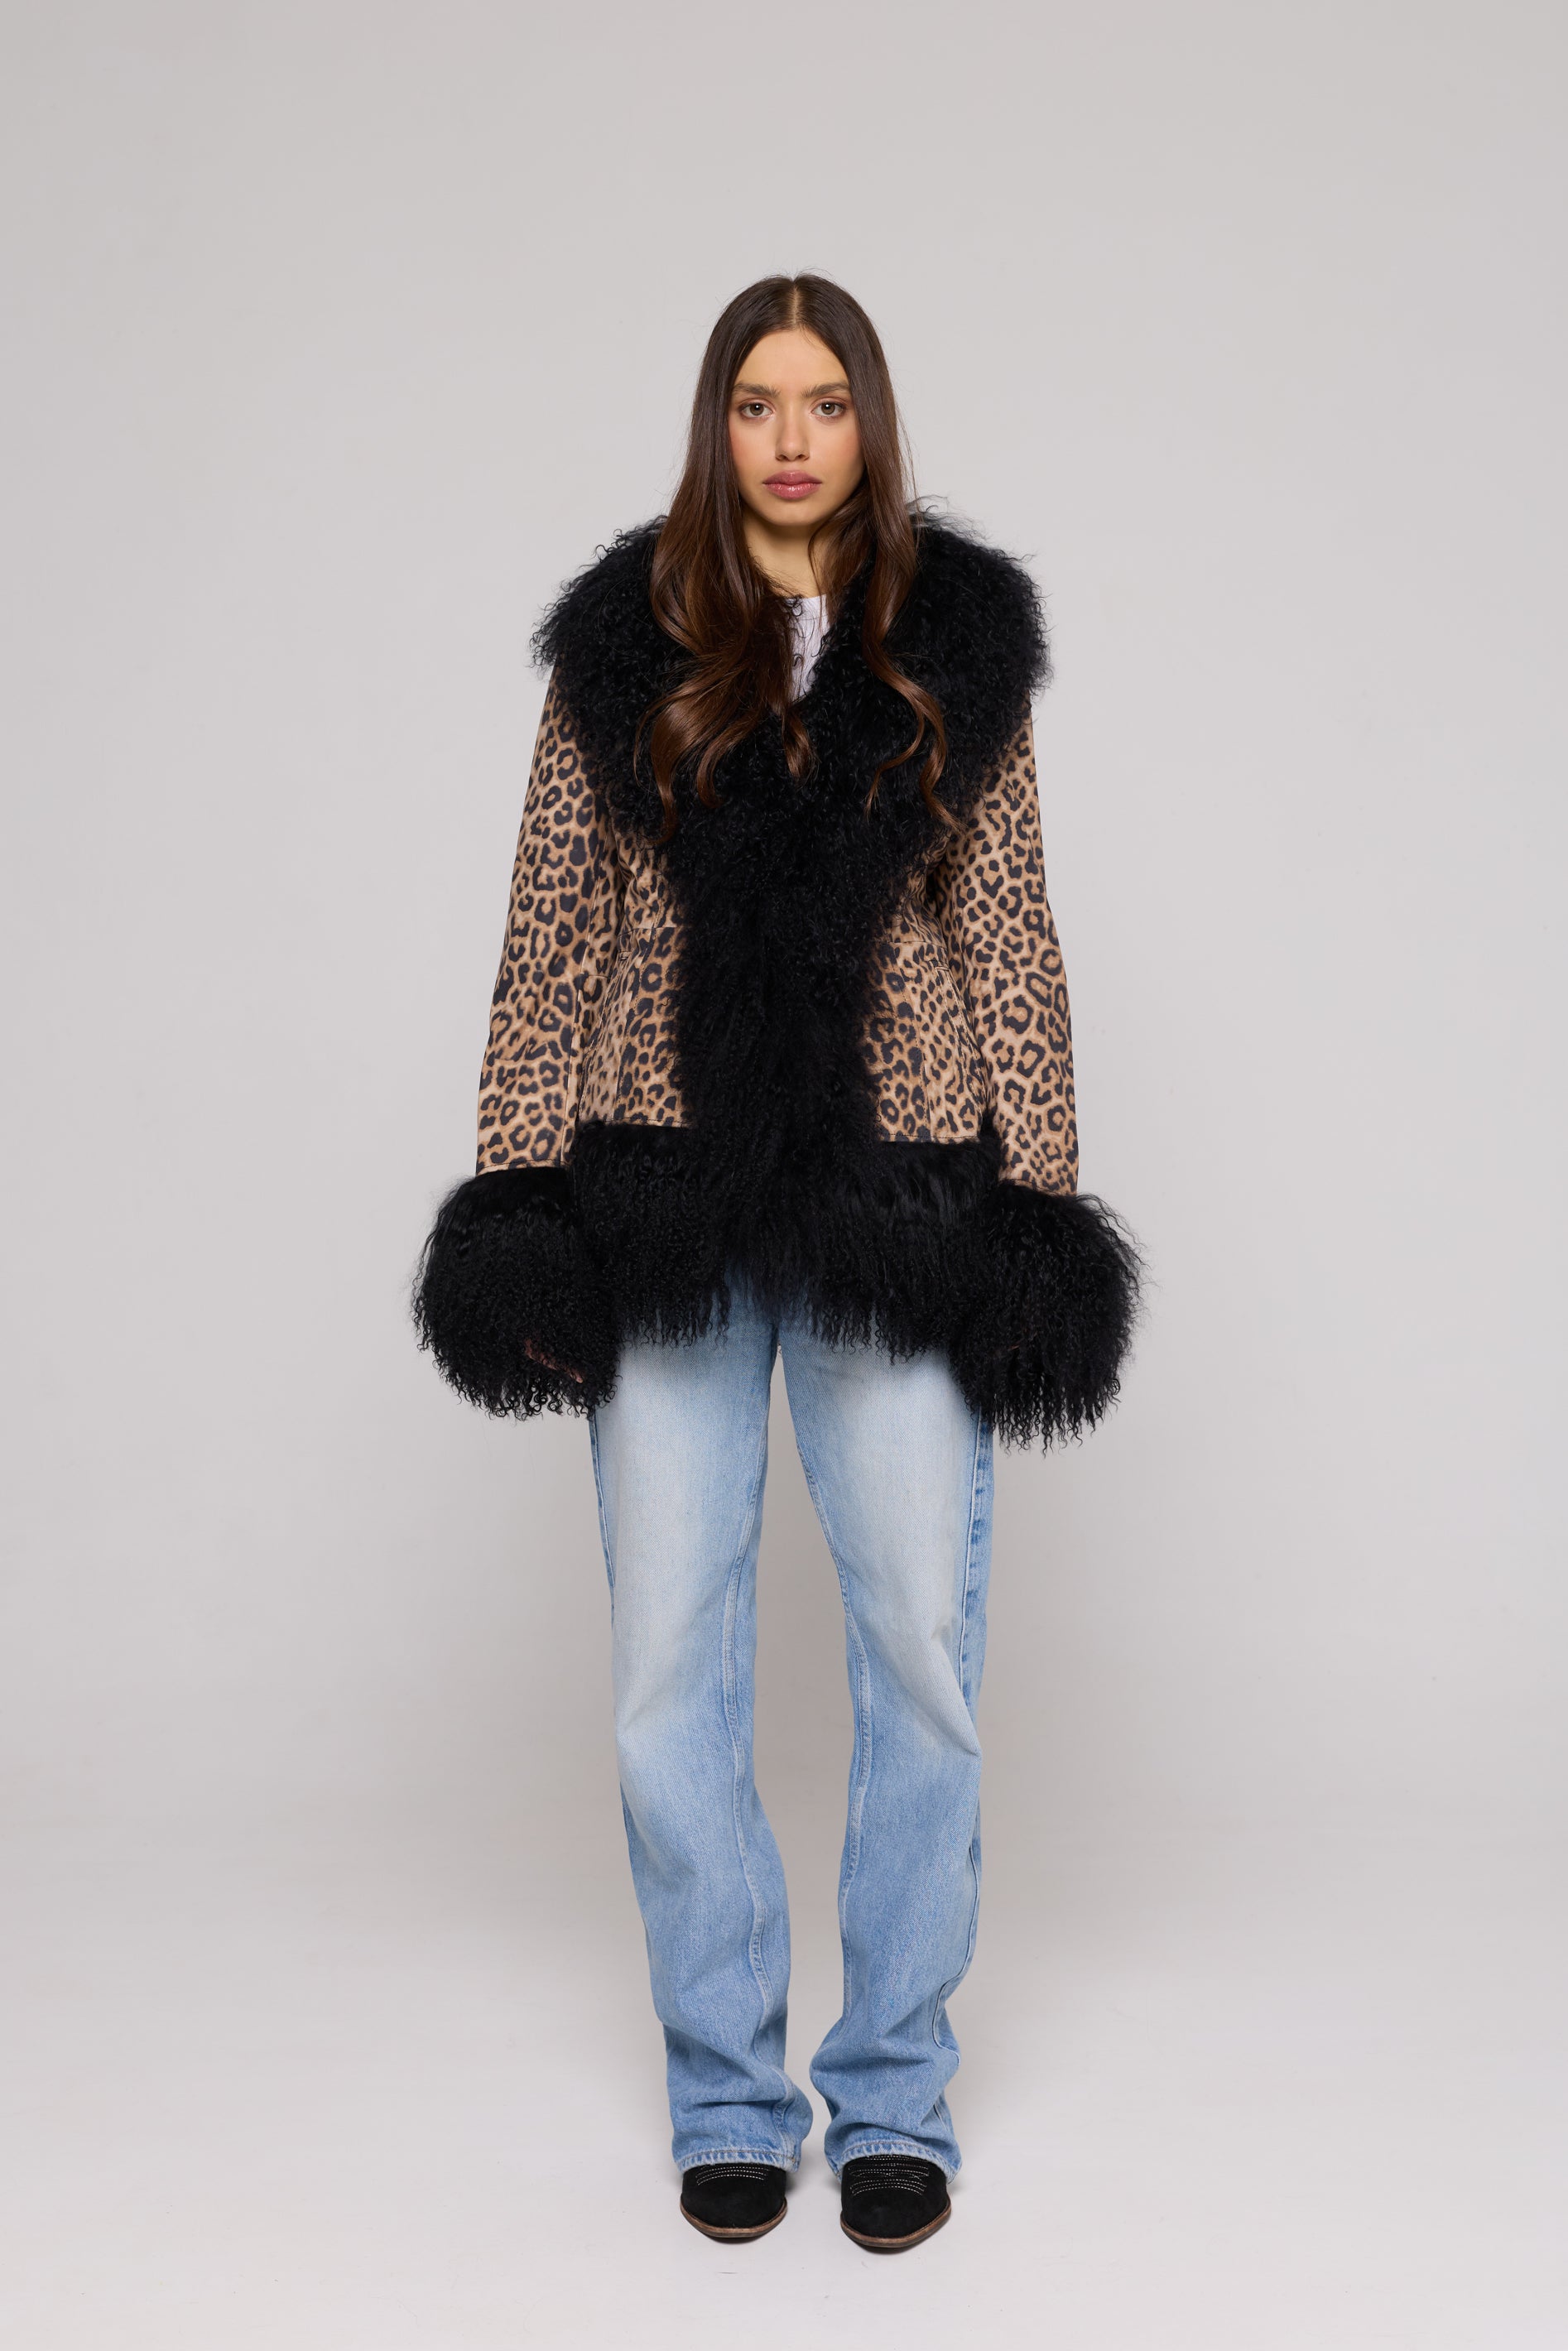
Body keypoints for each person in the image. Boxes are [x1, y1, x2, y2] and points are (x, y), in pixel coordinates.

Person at [415, 273, 1141, 2252]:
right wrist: (515, 1198)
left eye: (824, 399)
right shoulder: (622, 645)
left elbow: (1011, 940)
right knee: (668, 1661)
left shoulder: (950, 648)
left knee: (919, 1647)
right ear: (715, 425)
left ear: (867, 422)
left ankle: (891, 2089)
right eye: (757, 400)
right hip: (658, 1195)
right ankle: (725, 2093)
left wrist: (1036, 1208)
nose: (793, 436)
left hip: (896, 1199)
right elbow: (547, 940)